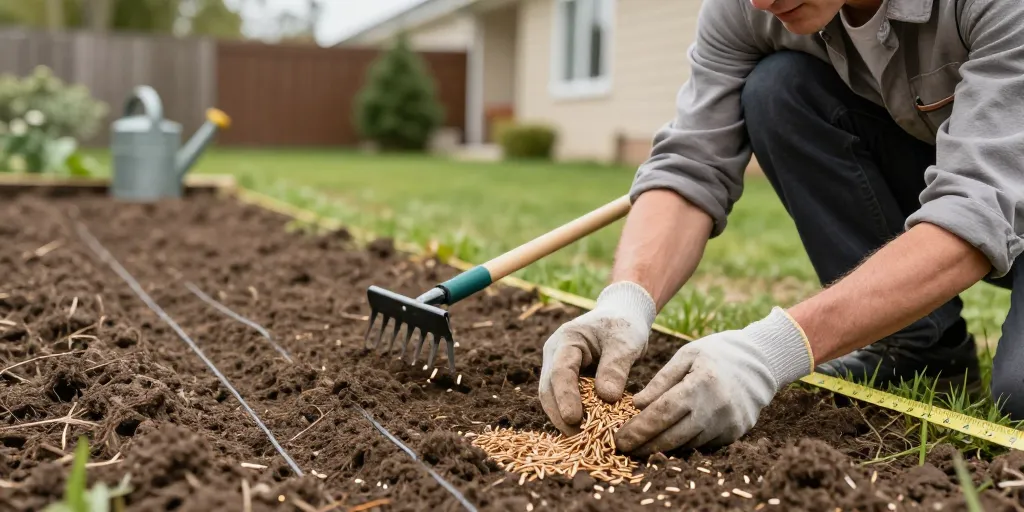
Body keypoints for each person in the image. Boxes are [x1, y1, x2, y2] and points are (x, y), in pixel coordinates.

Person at [538, 0, 1024, 456]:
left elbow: (977, 207)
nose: (762, 2)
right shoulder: (748, 9)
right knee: (779, 87)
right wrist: (626, 303)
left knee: (1019, 396)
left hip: (994, 189)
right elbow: (691, 162)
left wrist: (772, 350)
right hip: (965, 178)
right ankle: (920, 347)